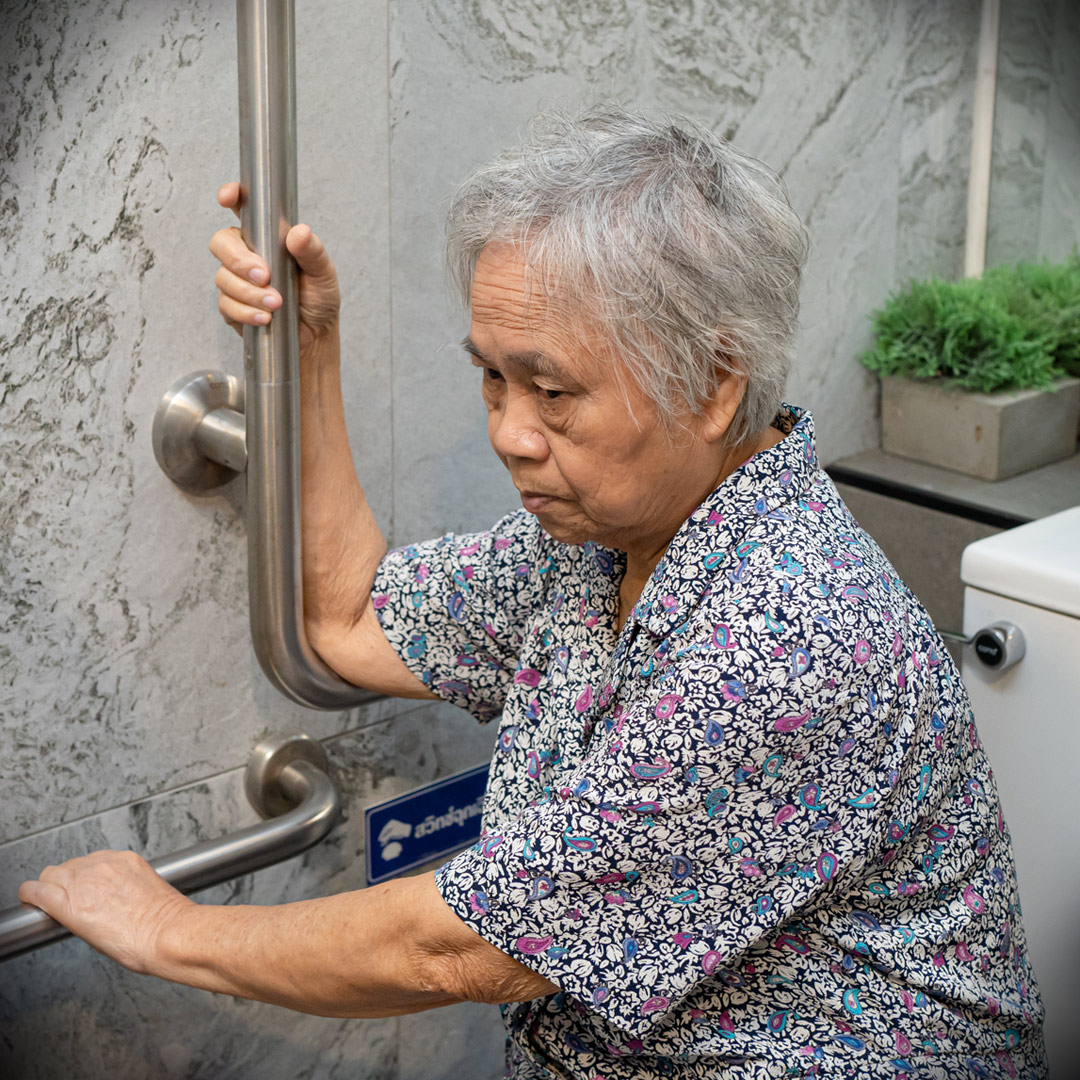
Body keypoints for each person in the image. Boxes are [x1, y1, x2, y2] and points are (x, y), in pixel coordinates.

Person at [20, 105, 1046, 1079]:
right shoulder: (597, 544)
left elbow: (462, 953)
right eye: (493, 379)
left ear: (715, 382)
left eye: (552, 391)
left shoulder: (785, 637)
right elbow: (349, 621)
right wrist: (312, 342)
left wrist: (166, 929)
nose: (511, 432)